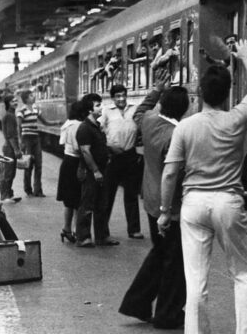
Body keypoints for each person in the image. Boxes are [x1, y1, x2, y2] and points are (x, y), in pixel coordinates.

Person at [158, 39, 247, 334]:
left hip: (193, 205)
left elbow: (169, 174)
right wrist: (246, 58)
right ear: (228, 93)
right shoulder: (236, 119)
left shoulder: (185, 127)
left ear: (200, 93)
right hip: (227, 203)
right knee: (243, 275)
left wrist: (166, 212)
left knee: (196, 282)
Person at [119, 81, 190, 329]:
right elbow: (174, 176)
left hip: (149, 200)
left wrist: (156, 89)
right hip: (168, 207)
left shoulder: (149, 121)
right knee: (175, 261)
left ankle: (136, 303)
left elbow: (139, 110)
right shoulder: (176, 135)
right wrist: (168, 211)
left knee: (160, 254)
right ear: (185, 108)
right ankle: (167, 314)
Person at [75, 93, 119, 248]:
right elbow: (86, 151)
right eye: (98, 105)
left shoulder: (96, 126)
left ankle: (102, 236)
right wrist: (95, 171)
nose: (102, 107)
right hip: (90, 172)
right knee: (88, 204)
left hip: (102, 169)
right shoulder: (84, 128)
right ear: (89, 110)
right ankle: (83, 237)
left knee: (102, 204)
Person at [100, 84, 143, 239]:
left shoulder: (134, 108)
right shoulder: (106, 111)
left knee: (131, 193)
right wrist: (107, 146)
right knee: (108, 194)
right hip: (113, 156)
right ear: (112, 98)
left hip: (130, 155)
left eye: (123, 95)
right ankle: (103, 230)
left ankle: (134, 229)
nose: (121, 99)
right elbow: (99, 130)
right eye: (117, 96)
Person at [17, 89, 58, 197]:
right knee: (28, 165)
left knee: (38, 165)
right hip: (26, 139)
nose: (33, 97)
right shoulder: (21, 111)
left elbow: (45, 122)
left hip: (36, 138)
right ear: (26, 99)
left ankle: (38, 190)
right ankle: (28, 190)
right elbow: (18, 126)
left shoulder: (36, 109)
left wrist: (56, 123)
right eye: (31, 96)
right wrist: (20, 141)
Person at [56, 101, 85, 244]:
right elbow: (78, 147)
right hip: (75, 163)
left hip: (67, 162)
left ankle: (68, 229)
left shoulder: (68, 124)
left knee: (70, 201)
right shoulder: (76, 126)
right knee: (76, 200)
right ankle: (73, 230)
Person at [0, 95, 22, 203]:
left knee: (11, 172)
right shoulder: (9, 116)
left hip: (10, 146)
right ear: (8, 103)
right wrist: (16, 150)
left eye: (16, 100)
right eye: (13, 101)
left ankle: (8, 193)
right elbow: (10, 135)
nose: (15, 102)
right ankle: (5, 196)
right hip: (10, 147)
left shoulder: (11, 114)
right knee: (8, 173)